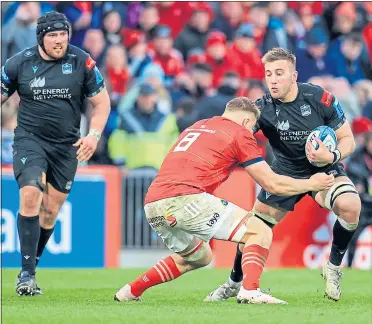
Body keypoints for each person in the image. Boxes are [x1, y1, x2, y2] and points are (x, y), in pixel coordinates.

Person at [114, 97, 334, 304]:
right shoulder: (239, 132)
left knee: (199, 256)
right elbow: (272, 184)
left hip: (153, 203)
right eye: (252, 127)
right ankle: (250, 290)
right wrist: (311, 183)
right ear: (247, 120)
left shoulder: (198, 126)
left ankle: (130, 291)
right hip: (185, 198)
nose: (251, 131)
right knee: (260, 229)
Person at [205, 48, 360, 303]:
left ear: (294, 75)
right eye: (268, 74)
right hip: (285, 172)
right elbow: (236, 136)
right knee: (255, 228)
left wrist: (330, 157)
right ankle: (233, 282)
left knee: (351, 206)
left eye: (279, 73)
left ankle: (332, 267)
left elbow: (348, 140)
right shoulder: (262, 108)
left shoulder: (320, 98)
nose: (273, 79)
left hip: (323, 168)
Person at [1, 11, 111, 296]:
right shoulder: (18, 64)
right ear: (41, 37)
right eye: (53, 35)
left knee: (50, 213)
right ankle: (25, 274)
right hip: (30, 140)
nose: (59, 40)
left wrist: (94, 135)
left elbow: (102, 104)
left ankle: (30, 271)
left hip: (67, 147)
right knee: (30, 194)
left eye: (63, 34)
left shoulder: (82, 61)